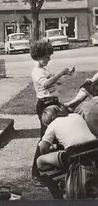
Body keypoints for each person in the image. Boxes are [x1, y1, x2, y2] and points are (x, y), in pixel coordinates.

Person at [30, 40, 74, 185]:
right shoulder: (36, 71)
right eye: (47, 57)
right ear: (38, 56)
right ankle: (36, 174)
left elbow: (51, 81)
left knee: (57, 135)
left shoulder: (43, 70)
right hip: (45, 106)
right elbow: (46, 84)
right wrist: (61, 73)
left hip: (52, 103)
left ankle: (57, 166)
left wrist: (64, 76)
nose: (49, 59)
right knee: (45, 138)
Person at [37, 104, 97, 171]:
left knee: (40, 160)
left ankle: (49, 180)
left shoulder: (53, 124)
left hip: (75, 159)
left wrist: (49, 151)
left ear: (48, 120)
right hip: (94, 150)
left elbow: (43, 148)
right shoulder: (76, 116)